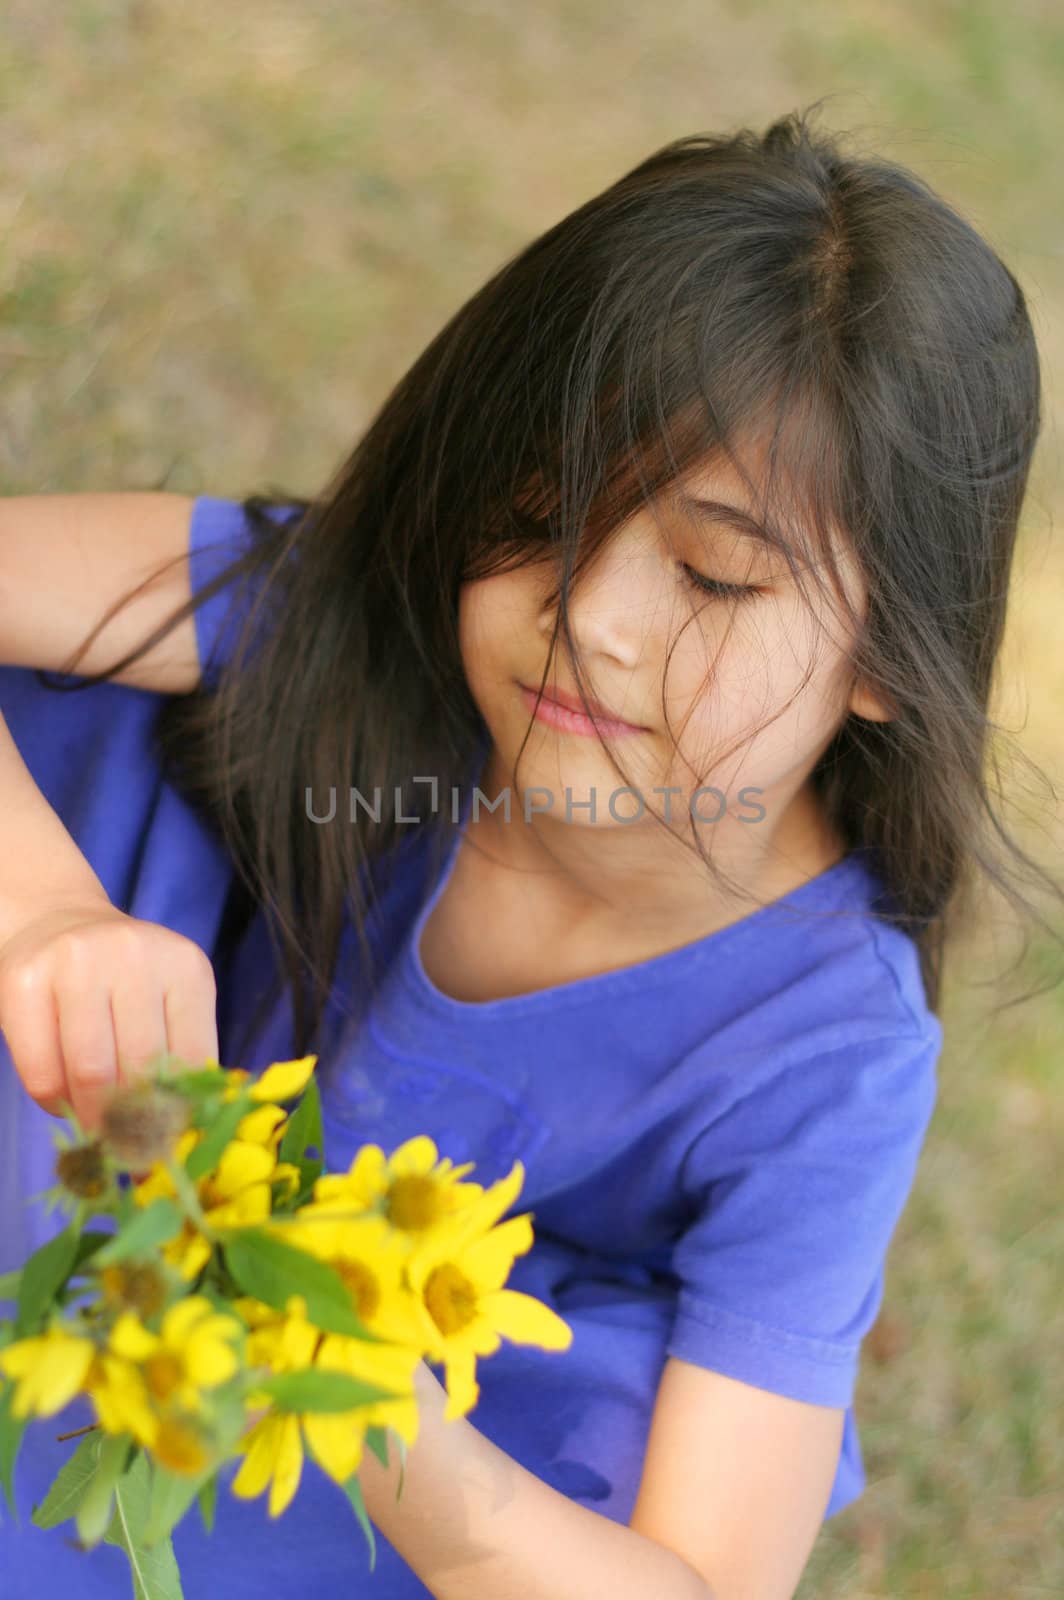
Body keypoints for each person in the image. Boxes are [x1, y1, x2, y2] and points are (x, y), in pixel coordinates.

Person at [0, 104, 1057, 1600]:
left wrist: (384, 1424)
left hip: (384, 1452)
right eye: (539, 514)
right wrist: (39, 914)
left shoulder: (824, 1052)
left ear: (893, 653)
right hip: (98, 1158)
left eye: (714, 576)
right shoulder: (353, 620)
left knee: (620, 1446)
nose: (595, 619)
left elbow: (701, 1580)